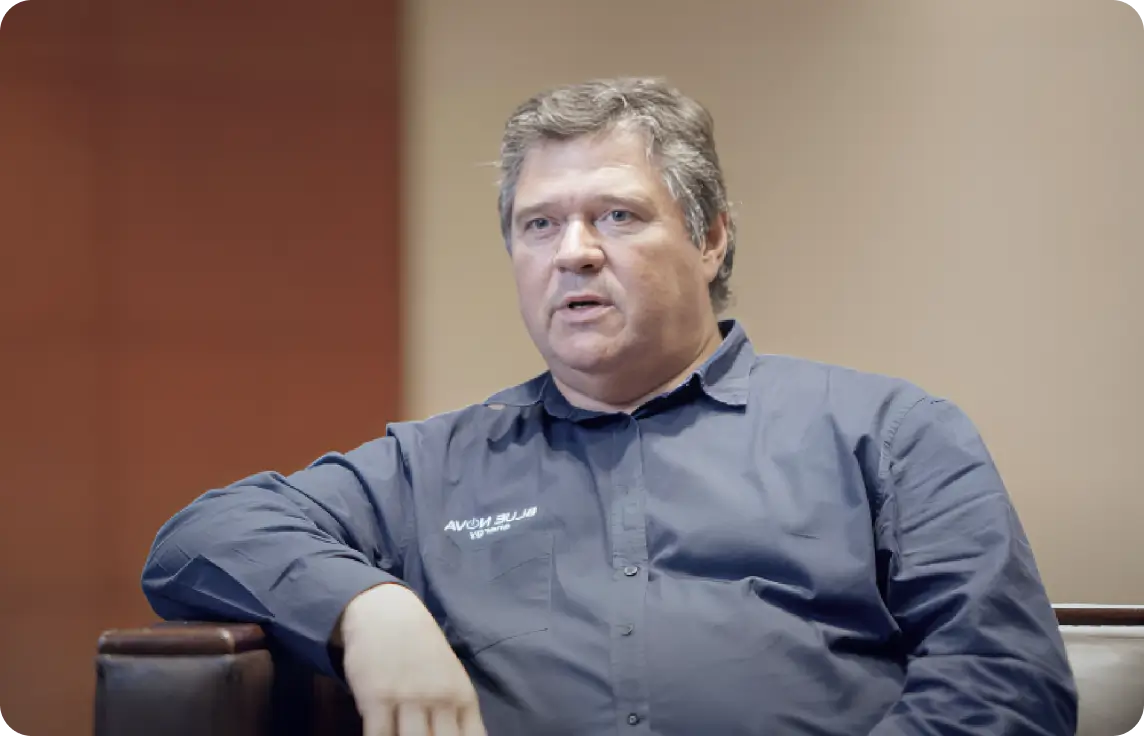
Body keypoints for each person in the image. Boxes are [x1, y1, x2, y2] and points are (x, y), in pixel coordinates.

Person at [142, 77, 1077, 735]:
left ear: (711, 240)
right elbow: (199, 539)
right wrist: (370, 607)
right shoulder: (435, 467)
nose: (574, 252)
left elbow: (1004, 685)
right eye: (539, 225)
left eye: (618, 216)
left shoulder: (889, 435)